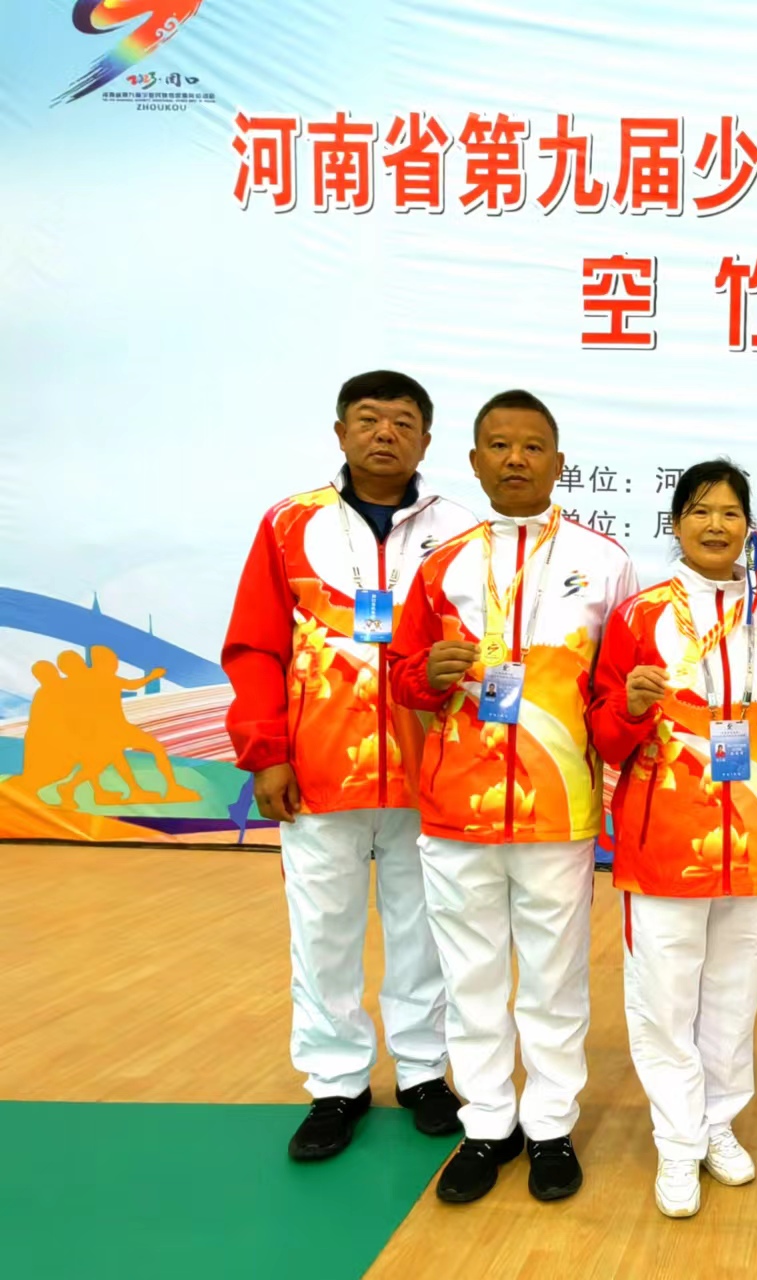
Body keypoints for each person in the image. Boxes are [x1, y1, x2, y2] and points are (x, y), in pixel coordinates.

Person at [389, 389, 638, 1205]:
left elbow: (615, 689)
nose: (516, 459)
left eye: (533, 446)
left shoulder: (605, 563)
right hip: (456, 809)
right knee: (471, 977)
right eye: (499, 445)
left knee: (554, 980)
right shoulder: (442, 564)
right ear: (473, 461)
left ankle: (551, 1125)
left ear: (559, 462)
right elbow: (402, 675)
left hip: (558, 808)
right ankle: (488, 1125)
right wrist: (426, 675)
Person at [222, 370, 473, 1160]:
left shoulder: (462, 530)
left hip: (428, 772)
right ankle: (335, 1084)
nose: (384, 434)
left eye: (402, 422)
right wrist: (267, 752)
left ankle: (425, 1072)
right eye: (368, 419)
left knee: (425, 929)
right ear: (340, 433)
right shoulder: (289, 524)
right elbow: (255, 645)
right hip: (318, 771)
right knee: (323, 932)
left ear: (426, 441)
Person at [587, 460, 757, 1220]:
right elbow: (605, 734)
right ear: (676, 524)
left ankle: (719, 1123)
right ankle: (678, 1140)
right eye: (699, 510)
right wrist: (628, 707)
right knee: (663, 1003)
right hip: (662, 840)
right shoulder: (640, 616)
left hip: (756, 841)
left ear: (749, 527)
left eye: (729, 512)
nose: (715, 524)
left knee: (732, 999)